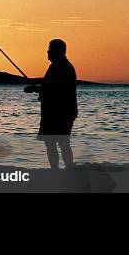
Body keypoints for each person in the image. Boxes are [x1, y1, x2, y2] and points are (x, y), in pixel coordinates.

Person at [24, 39, 78, 169]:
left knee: (61, 142)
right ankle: (59, 171)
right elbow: (51, 87)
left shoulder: (63, 67)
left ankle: (64, 171)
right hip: (56, 111)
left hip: (61, 112)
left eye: (50, 49)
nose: (47, 51)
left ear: (58, 51)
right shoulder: (57, 66)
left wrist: (36, 89)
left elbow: (57, 89)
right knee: (53, 142)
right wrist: (40, 89)